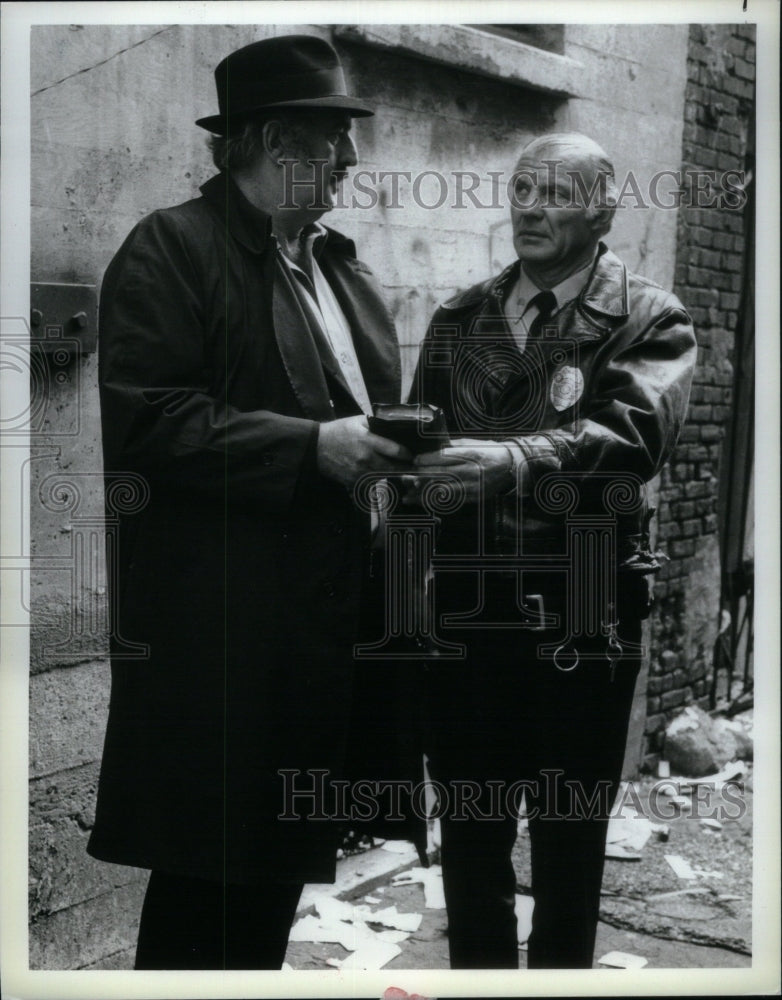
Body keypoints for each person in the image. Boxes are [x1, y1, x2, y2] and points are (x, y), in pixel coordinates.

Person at [87, 35, 423, 970]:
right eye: (337, 140)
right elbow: (150, 422)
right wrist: (313, 447)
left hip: (318, 632)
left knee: (271, 876)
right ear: (277, 141)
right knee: (206, 884)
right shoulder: (172, 247)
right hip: (223, 642)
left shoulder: (337, 265)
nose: (354, 162)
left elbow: (347, 409)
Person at [408, 132, 697, 968]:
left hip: (584, 621)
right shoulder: (461, 317)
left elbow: (633, 432)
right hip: (468, 624)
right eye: (522, 189)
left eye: (556, 193)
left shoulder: (649, 316)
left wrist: (516, 456)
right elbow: (424, 459)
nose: (531, 209)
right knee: (470, 839)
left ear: (602, 209)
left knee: (569, 846)